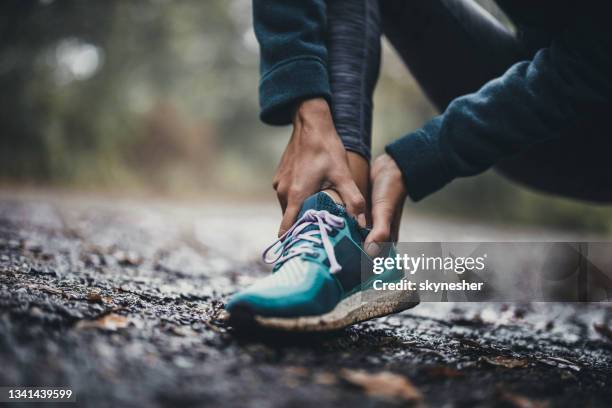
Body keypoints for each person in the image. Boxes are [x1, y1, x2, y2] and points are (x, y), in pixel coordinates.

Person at [226, 0, 612, 330]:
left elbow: (597, 58)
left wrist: (423, 154)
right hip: (543, 78)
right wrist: (307, 102)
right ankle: (343, 221)